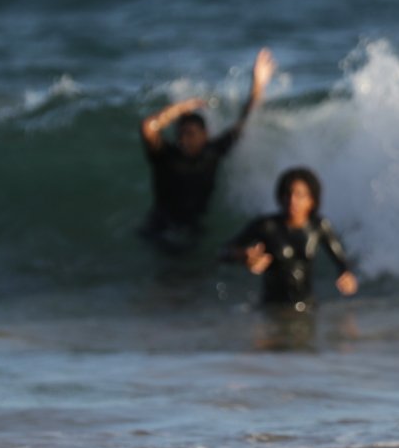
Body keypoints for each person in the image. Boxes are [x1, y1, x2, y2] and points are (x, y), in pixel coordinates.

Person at [139, 48, 276, 253]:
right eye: (181, 134)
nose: (184, 139)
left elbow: (244, 121)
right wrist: (179, 109)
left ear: (205, 135)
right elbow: (148, 127)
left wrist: (258, 85)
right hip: (161, 226)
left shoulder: (212, 152)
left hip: (193, 226)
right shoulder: (165, 155)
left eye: (191, 134)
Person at [219, 167, 358, 310]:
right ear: (280, 196)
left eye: (299, 195)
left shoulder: (319, 226)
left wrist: (346, 275)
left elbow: (342, 261)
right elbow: (224, 252)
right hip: (272, 310)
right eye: (288, 194)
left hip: (307, 308)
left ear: (312, 200)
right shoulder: (267, 226)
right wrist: (242, 255)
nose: (292, 200)